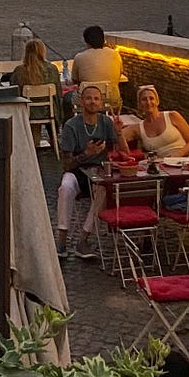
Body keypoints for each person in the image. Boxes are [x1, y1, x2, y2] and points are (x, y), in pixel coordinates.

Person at [55, 84, 131, 260]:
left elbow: (125, 153)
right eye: (88, 98)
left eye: (96, 99)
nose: (92, 102)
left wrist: (119, 134)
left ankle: (83, 239)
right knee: (65, 188)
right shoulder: (71, 126)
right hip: (76, 171)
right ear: (81, 102)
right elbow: (66, 165)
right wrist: (86, 154)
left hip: (99, 171)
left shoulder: (106, 122)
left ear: (101, 103)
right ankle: (62, 239)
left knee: (104, 192)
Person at [127, 83, 189, 160]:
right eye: (144, 99)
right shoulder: (138, 128)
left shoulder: (172, 116)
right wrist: (118, 132)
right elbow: (118, 139)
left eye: (151, 98)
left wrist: (179, 153)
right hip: (161, 164)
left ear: (157, 101)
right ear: (139, 104)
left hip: (183, 160)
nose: (148, 102)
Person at [70, 25, 124, 114]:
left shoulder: (80, 57)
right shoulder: (115, 54)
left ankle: (68, 125)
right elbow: (120, 73)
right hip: (111, 99)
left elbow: (75, 80)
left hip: (88, 100)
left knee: (67, 99)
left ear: (86, 41)